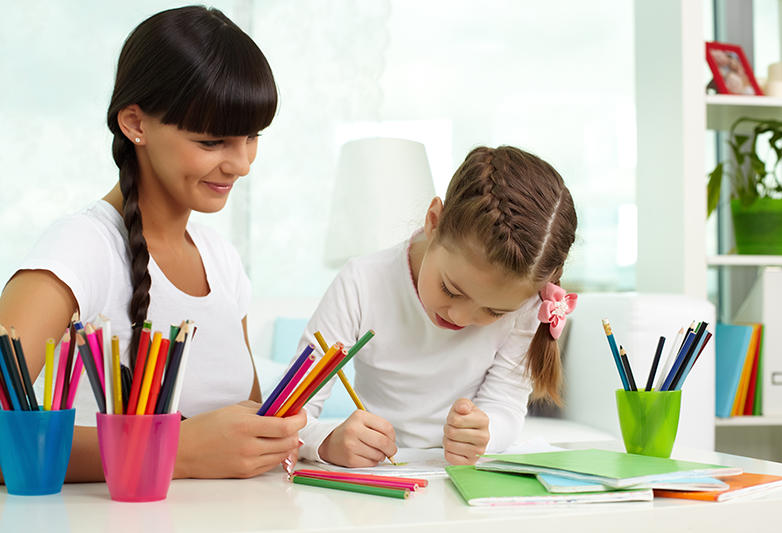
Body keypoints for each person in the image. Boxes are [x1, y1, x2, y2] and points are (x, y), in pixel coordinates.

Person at [0, 5, 305, 481]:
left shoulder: (221, 262)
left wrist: (320, 442)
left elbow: (246, 431)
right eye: (212, 142)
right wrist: (173, 450)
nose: (242, 164)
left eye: (252, 136)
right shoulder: (79, 250)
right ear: (135, 124)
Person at [296, 145, 578, 467]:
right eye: (451, 289)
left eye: (494, 312)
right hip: (381, 477)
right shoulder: (362, 282)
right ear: (433, 221)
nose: (459, 317)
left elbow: (505, 404)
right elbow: (291, 410)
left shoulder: (526, 305)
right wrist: (325, 442)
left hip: (464, 479)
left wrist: (485, 434)